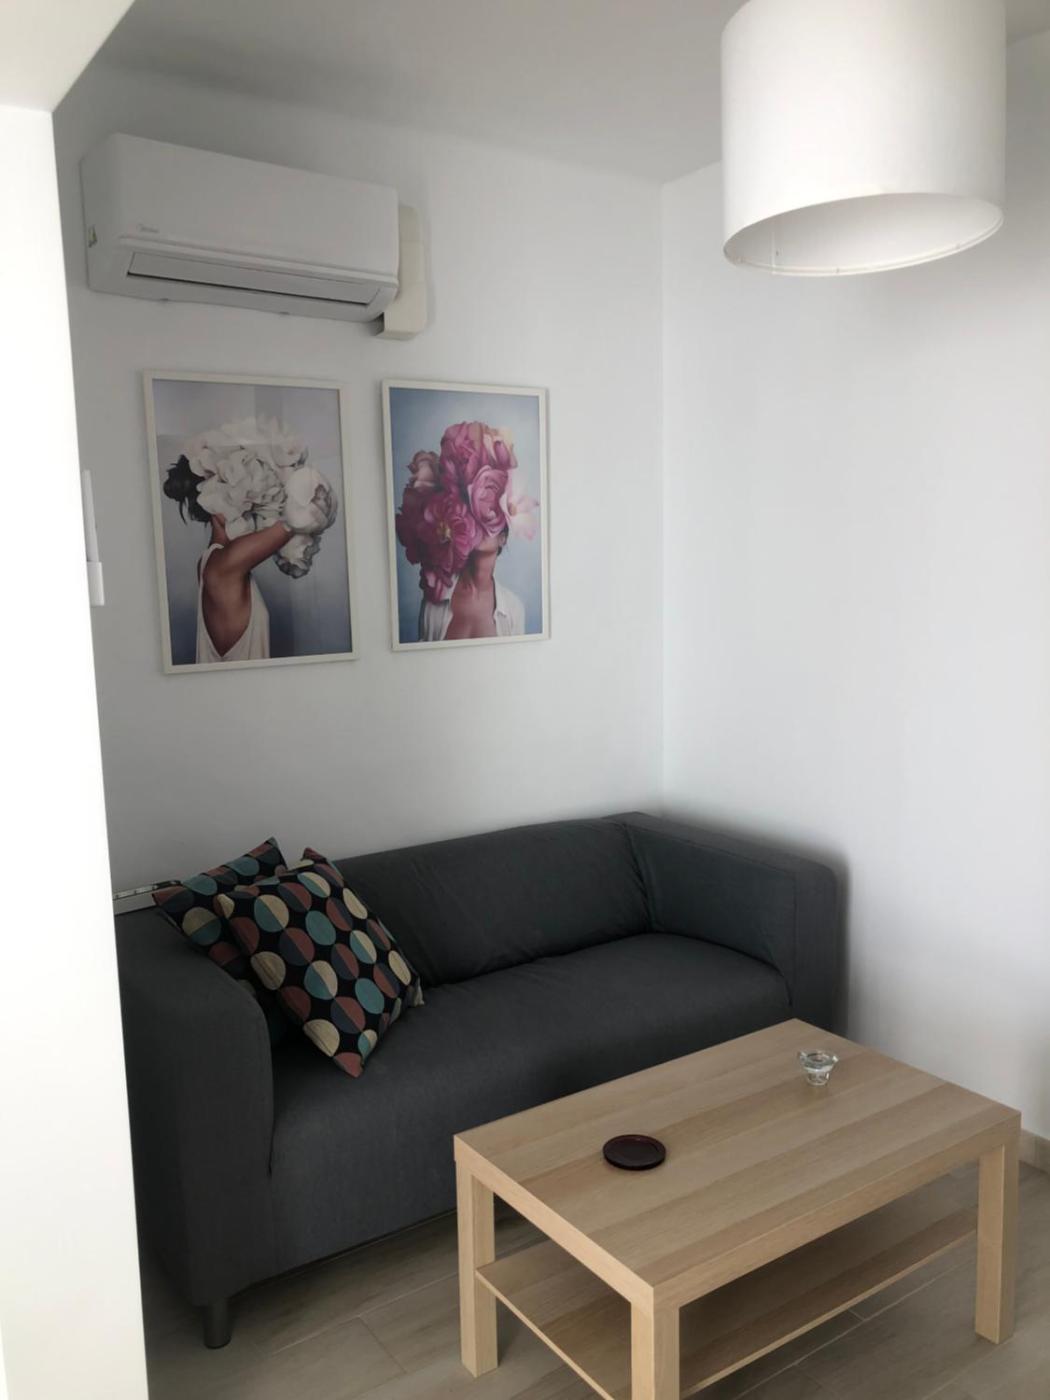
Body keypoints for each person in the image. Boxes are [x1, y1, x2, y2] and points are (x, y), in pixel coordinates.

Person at [164, 457, 292, 663]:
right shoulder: (225, 565)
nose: (246, 502)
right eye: (233, 493)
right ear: (210, 501)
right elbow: (300, 518)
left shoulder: (209, 561)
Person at [418, 529, 525, 641]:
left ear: (502, 539)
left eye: (490, 523)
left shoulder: (513, 608)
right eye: (476, 521)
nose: (481, 527)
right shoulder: (436, 596)